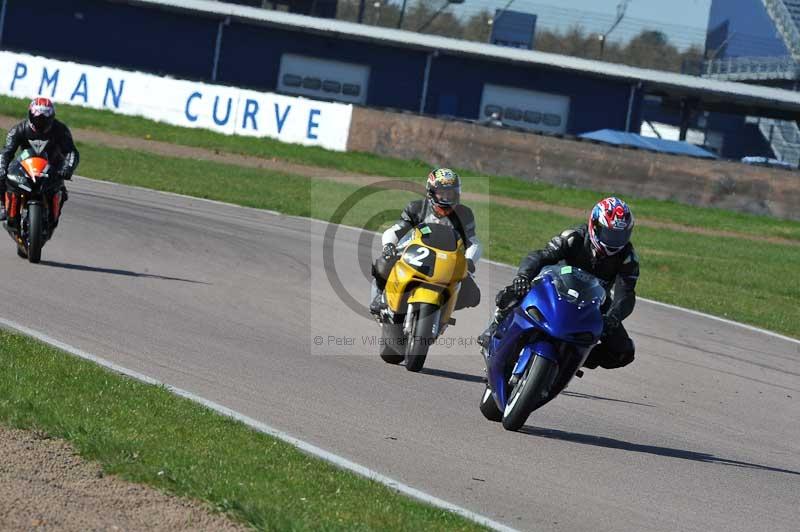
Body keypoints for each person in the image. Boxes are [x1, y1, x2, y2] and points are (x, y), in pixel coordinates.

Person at [479, 197, 639, 370]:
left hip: (594, 300)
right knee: (517, 290)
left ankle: (574, 358)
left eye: (620, 235)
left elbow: (626, 294)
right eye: (610, 234)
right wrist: (523, 277)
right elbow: (540, 255)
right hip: (557, 285)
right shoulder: (574, 236)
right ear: (594, 225)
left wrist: (613, 317)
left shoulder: (628, 258)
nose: (614, 241)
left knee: (623, 351)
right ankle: (496, 326)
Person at [370, 168, 482, 316]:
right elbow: (396, 230)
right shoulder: (416, 208)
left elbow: (473, 242)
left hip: (449, 259)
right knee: (384, 263)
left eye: (450, 193)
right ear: (431, 192)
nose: (446, 198)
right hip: (413, 253)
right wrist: (389, 246)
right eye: (442, 193)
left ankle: (444, 307)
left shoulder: (465, 214)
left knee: (473, 295)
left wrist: (469, 261)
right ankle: (381, 295)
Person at [0, 97, 80, 224]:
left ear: (51, 118)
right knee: (3, 177)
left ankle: (52, 215)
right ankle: (4, 205)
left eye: (44, 118)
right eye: (37, 117)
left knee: (61, 192)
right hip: (25, 165)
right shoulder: (18, 129)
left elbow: (71, 151)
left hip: (52, 166)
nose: (40, 121)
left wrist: (67, 168)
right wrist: (2, 167)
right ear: (30, 115)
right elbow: (6, 152)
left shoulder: (60, 130)